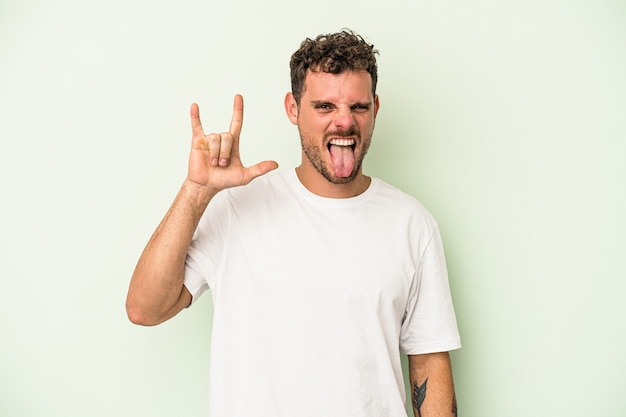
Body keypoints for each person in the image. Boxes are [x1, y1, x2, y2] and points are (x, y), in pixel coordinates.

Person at [126, 30, 461, 417]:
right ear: (292, 108)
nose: (344, 122)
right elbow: (144, 309)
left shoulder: (411, 223)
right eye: (324, 107)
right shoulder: (238, 207)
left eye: (358, 106)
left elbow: (428, 362)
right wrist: (196, 192)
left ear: (376, 108)